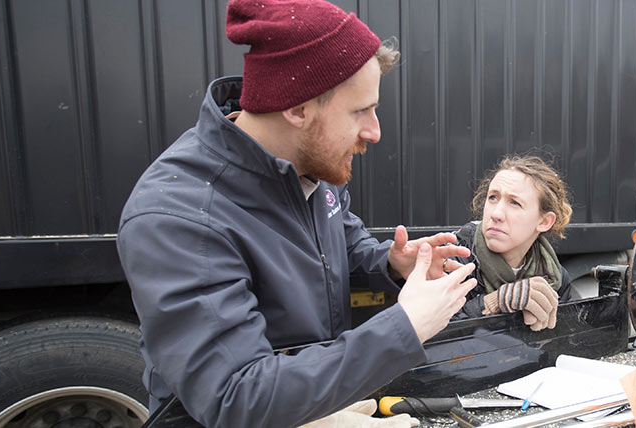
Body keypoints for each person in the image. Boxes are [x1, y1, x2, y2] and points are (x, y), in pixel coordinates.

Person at [115, 1, 477, 427]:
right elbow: (237, 396)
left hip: (314, 398)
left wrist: (391, 263)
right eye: (361, 110)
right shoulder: (180, 217)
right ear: (298, 109)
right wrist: (406, 327)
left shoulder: (311, 168)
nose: (375, 131)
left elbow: (343, 247)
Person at [450, 155, 573, 331]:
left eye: (515, 203)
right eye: (493, 197)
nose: (496, 214)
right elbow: (433, 334)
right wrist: (495, 302)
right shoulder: (454, 257)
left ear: (544, 222)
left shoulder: (555, 276)